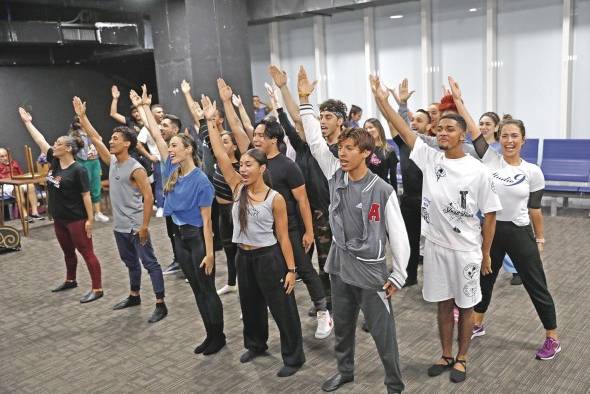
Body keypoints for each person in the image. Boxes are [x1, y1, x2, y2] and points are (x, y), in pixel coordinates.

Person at [372, 74, 501, 383]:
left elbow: (492, 215)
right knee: (443, 304)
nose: (443, 132)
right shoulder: (430, 158)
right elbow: (404, 130)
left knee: (466, 306)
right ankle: (446, 354)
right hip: (436, 248)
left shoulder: (478, 170)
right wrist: (382, 102)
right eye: (440, 128)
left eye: (450, 128)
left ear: (462, 136)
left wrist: (485, 255)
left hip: (467, 249)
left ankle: (463, 357)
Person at [298, 66, 410, 394]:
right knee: (342, 328)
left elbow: (398, 234)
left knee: (382, 331)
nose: (342, 154)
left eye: (349, 149)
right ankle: (345, 371)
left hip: (372, 270)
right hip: (339, 265)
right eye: (341, 148)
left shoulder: (382, 190)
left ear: (366, 153)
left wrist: (399, 274)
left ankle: (394, 383)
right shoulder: (335, 173)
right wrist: (305, 100)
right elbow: (316, 141)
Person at [448, 77, 560, 360]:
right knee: (485, 280)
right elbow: (473, 128)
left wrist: (541, 238)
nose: (509, 141)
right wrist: (459, 101)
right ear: (498, 138)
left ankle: (552, 338)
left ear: (523, 140)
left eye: (515, 136)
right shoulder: (489, 159)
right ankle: (477, 323)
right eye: (505, 136)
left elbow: (535, 210)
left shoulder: (533, 171)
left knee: (537, 285)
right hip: (491, 230)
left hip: (520, 232)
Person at [218, 78, 333, 339]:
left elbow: (303, 201)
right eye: (255, 135)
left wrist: (307, 231)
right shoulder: (254, 161)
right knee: (275, 271)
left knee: (303, 268)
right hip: (263, 228)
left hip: (289, 226)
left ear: (273, 139)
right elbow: (238, 130)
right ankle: (269, 306)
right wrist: (227, 105)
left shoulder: (287, 166)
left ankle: (323, 312)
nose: (255, 138)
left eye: (260, 136)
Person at [203, 93, 305, 377]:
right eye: (242, 165)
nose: (242, 169)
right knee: (250, 306)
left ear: (262, 169)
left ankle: (294, 357)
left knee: (283, 308)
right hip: (243, 257)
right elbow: (220, 154)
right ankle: (256, 344)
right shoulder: (237, 187)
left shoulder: (275, 199)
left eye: (249, 165)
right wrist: (211, 121)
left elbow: (284, 237)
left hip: (269, 257)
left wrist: (291, 269)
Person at [133, 86, 225, 354]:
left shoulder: (202, 182)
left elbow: (208, 224)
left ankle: (218, 337)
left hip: (197, 238)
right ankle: (210, 335)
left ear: (187, 150)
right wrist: (143, 108)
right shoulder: (171, 168)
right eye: (170, 145)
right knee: (196, 289)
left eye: (175, 145)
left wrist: (209, 254)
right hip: (179, 236)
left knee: (207, 289)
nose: (169, 147)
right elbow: (154, 133)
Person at [73, 96, 168, 323]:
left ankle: (160, 303)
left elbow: (148, 197)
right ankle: (134, 295)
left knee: (150, 263)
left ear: (127, 143)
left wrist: (144, 226)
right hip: (120, 227)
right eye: (112, 138)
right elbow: (95, 138)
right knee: (130, 263)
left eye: (115, 139)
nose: (111, 141)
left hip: (137, 227)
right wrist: (83, 117)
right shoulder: (114, 161)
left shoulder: (136, 169)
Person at [18, 107, 103, 303]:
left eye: (58, 144)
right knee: (67, 252)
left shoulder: (78, 170)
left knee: (87, 252)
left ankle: (97, 288)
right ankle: (70, 280)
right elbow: (40, 141)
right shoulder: (54, 163)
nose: (53, 146)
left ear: (68, 149)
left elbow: (86, 195)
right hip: (60, 218)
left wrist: (90, 220)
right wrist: (27, 122)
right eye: (55, 143)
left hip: (76, 219)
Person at [268, 64, 333, 316]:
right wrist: (283, 89)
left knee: (326, 261)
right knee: (307, 259)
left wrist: (292, 94)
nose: (302, 129)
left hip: (325, 213)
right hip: (306, 210)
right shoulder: (303, 148)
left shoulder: (326, 150)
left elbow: (300, 119)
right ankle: (323, 299)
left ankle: (331, 302)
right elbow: (291, 122)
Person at [184, 92, 241, 296]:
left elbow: (238, 132)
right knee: (227, 247)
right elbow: (199, 118)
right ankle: (232, 281)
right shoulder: (209, 138)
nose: (221, 144)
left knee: (240, 251)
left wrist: (230, 105)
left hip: (235, 208)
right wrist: (188, 95)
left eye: (227, 142)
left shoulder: (237, 165)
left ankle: (250, 289)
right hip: (219, 204)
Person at [478, 111, 522, 285]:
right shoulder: (474, 148)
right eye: (481, 123)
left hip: (498, 198)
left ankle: (515, 269)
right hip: (479, 197)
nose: (483, 127)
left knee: (500, 236)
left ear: (496, 127)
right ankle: (482, 264)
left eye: (488, 124)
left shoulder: (499, 149)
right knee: (482, 237)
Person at [69, 118, 109, 223]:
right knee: (85, 188)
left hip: (95, 162)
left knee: (96, 187)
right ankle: (87, 213)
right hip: (83, 162)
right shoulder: (74, 135)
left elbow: (99, 139)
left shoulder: (91, 131)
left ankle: (98, 213)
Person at [137, 103, 165, 218]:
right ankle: (160, 207)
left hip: (171, 158)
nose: (162, 114)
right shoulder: (146, 128)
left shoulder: (166, 124)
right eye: (158, 112)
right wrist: (149, 156)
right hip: (158, 160)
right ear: (152, 115)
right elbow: (138, 144)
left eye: (162, 112)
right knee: (159, 184)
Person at [0, 147, 44, 221]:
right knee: (18, 188)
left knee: (30, 185)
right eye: (2, 156)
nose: (5, 158)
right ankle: (24, 215)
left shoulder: (14, 163)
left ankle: (35, 212)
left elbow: (21, 175)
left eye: (6, 155)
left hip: (17, 182)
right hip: (5, 185)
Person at [364, 118, 398, 192]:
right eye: (366, 129)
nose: (368, 130)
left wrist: (394, 195)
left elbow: (393, 177)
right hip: (365, 189)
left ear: (379, 128)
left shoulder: (389, 151)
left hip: (382, 191)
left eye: (371, 127)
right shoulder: (363, 149)